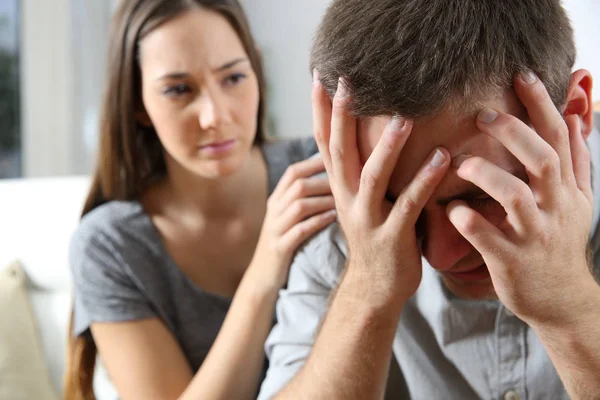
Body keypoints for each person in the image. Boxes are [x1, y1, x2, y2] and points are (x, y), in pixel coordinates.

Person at [259, 1, 600, 399]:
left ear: (573, 113)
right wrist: (368, 289)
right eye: (396, 201)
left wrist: (569, 308)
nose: (440, 257)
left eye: (482, 197)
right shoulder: (340, 238)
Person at [63, 1, 336, 399]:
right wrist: (265, 269)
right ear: (138, 103)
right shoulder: (110, 248)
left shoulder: (322, 167)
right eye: (178, 89)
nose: (214, 115)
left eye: (233, 77)